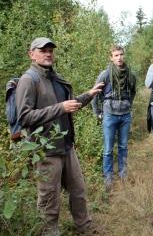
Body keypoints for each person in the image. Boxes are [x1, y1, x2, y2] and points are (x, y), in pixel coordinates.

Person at [16, 37, 103, 235]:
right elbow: (24, 117)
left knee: (78, 191)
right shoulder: (29, 80)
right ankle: (49, 232)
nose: (48, 53)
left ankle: (85, 227)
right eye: (42, 50)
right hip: (46, 149)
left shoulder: (54, 77)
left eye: (50, 50)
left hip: (66, 145)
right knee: (49, 198)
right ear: (31, 54)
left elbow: (68, 106)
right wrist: (59, 108)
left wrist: (89, 94)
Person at [92, 45, 136, 191]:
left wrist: (129, 104)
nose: (119, 57)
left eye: (121, 54)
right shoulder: (105, 74)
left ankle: (123, 173)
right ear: (111, 58)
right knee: (108, 149)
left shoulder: (130, 74)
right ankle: (108, 177)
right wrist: (97, 112)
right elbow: (95, 94)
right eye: (116, 55)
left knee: (123, 146)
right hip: (109, 114)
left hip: (125, 115)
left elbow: (133, 91)